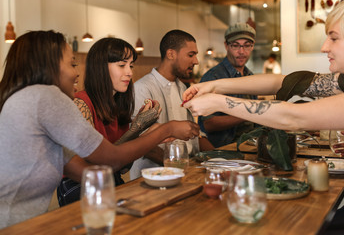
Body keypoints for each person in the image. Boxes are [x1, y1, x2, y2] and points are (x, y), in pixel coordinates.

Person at [0, 30, 199, 228]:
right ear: (49, 66)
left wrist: (135, 196)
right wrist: (166, 130)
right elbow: (109, 158)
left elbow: (89, 171)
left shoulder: (28, 99)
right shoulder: (46, 97)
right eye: (72, 64)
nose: (76, 72)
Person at [182, 0, 344, 155]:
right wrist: (214, 86)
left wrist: (218, 102)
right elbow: (281, 82)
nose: (324, 47)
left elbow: (293, 117)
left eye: (334, 38)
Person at [57, 37, 183, 206]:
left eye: (131, 65)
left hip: (111, 182)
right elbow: (94, 168)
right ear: (101, 67)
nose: (129, 72)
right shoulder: (81, 104)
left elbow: (123, 167)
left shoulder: (118, 106)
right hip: (80, 187)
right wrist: (137, 128)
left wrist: (142, 128)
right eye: (122, 65)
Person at [130, 29, 214, 180]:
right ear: (171, 54)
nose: (196, 61)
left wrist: (220, 160)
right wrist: (181, 168)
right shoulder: (142, 88)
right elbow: (142, 143)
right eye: (191, 55)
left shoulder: (183, 88)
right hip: (152, 179)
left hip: (186, 172)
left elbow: (195, 136)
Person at [197, 23, 259, 148]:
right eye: (235, 45)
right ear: (226, 45)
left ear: (252, 46)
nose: (241, 51)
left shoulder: (250, 76)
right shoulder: (213, 77)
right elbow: (209, 124)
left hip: (251, 147)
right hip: (225, 151)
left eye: (247, 45)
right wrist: (249, 113)